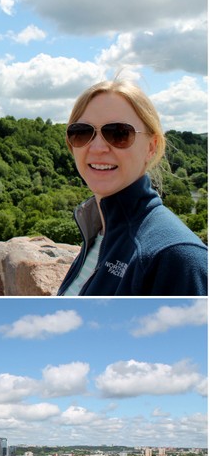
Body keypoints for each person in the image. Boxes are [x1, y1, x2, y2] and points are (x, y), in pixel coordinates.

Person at [57, 80, 207, 296]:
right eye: (81, 132)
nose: (98, 148)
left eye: (119, 133)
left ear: (151, 147)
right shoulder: (100, 234)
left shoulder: (175, 256)